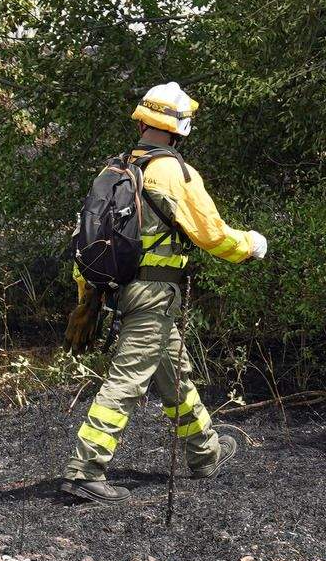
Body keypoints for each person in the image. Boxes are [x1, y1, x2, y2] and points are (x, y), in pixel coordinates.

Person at [61, 82, 268, 503]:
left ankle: (204, 452)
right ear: (181, 128)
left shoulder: (113, 170)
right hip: (155, 294)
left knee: (175, 375)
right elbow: (212, 235)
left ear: (141, 120)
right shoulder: (173, 172)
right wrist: (252, 246)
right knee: (127, 379)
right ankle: (85, 471)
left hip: (124, 291)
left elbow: (88, 240)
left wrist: (88, 296)